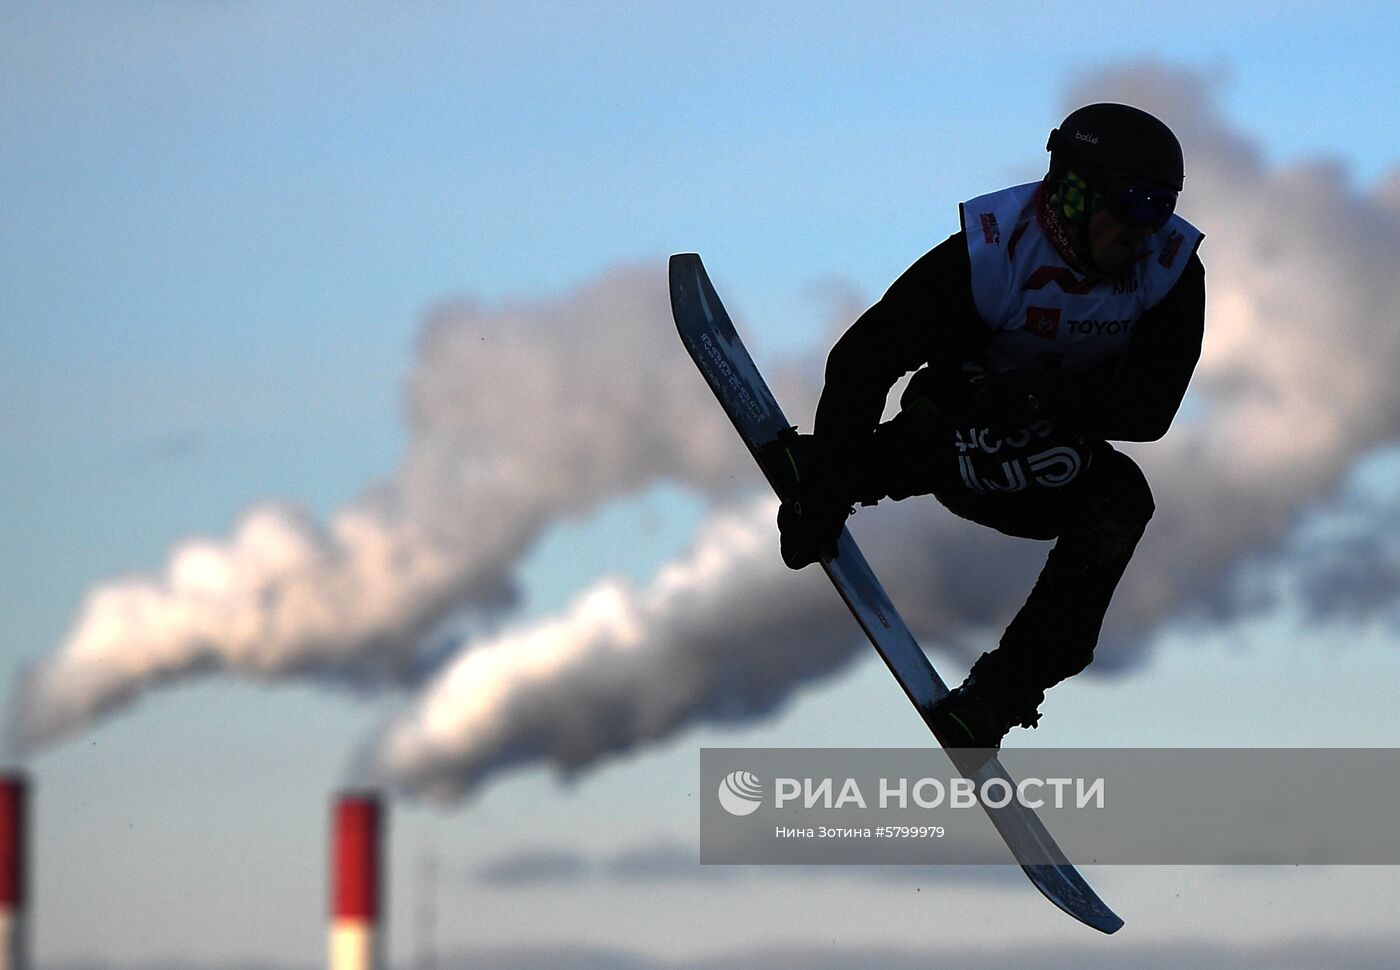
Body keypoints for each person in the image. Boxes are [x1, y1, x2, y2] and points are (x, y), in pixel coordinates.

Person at [776, 103, 1205, 753]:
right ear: (1074, 191)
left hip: (1048, 465)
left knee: (1122, 495)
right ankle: (859, 465)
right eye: (1133, 203)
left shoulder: (1170, 272)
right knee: (968, 417)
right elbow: (865, 361)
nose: (1147, 231)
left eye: (1163, 207)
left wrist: (1040, 395)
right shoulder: (993, 253)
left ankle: (1002, 694)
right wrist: (830, 491)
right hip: (953, 437)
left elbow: (1150, 412)